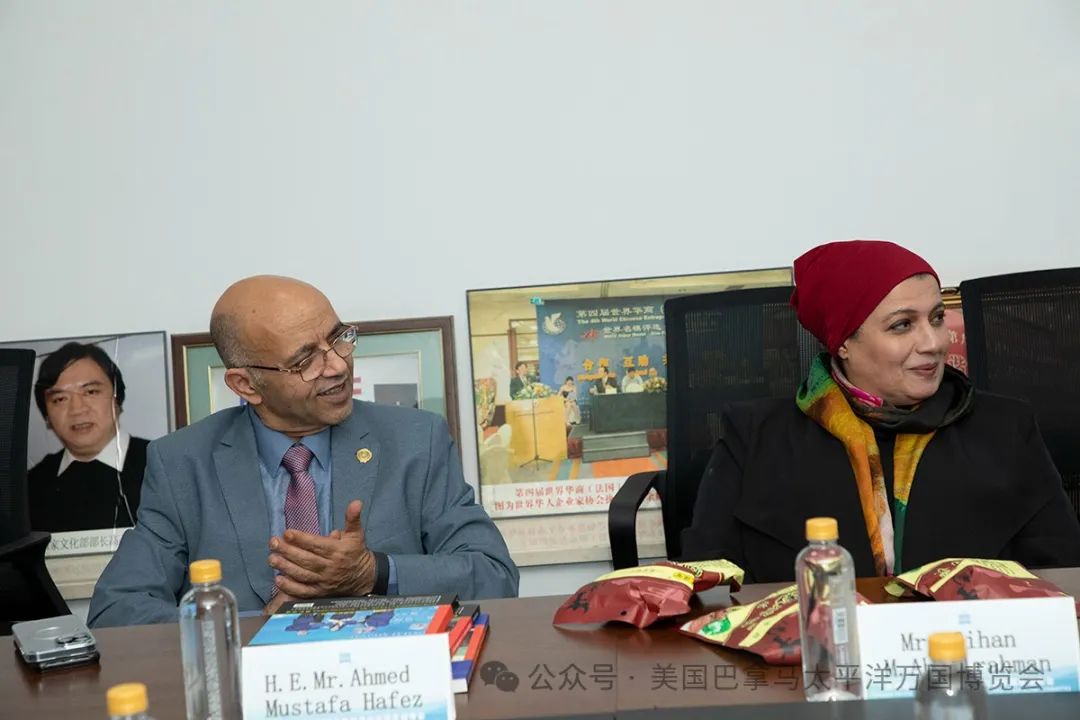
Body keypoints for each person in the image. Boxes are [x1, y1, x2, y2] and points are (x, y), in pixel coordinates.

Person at [89, 276, 518, 627]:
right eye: (304, 361)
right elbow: (116, 611)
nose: (337, 366)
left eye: (339, 338)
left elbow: (494, 576)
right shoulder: (183, 462)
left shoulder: (416, 441)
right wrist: (251, 628)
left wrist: (373, 573)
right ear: (245, 384)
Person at [682, 240, 1080, 583]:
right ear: (843, 343)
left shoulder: (1006, 428)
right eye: (902, 325)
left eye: (937, 318)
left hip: (969, 642)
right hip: (808, 644)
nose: (933, 343)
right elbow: (711, 580)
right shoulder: (754, 437)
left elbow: (1063, 572)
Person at [28, 342, 149, 532]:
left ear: (117, 400)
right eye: (60, 399)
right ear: (47, 417)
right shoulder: (29, 486)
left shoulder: (162, 464)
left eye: (91, 392)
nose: (77, 409)